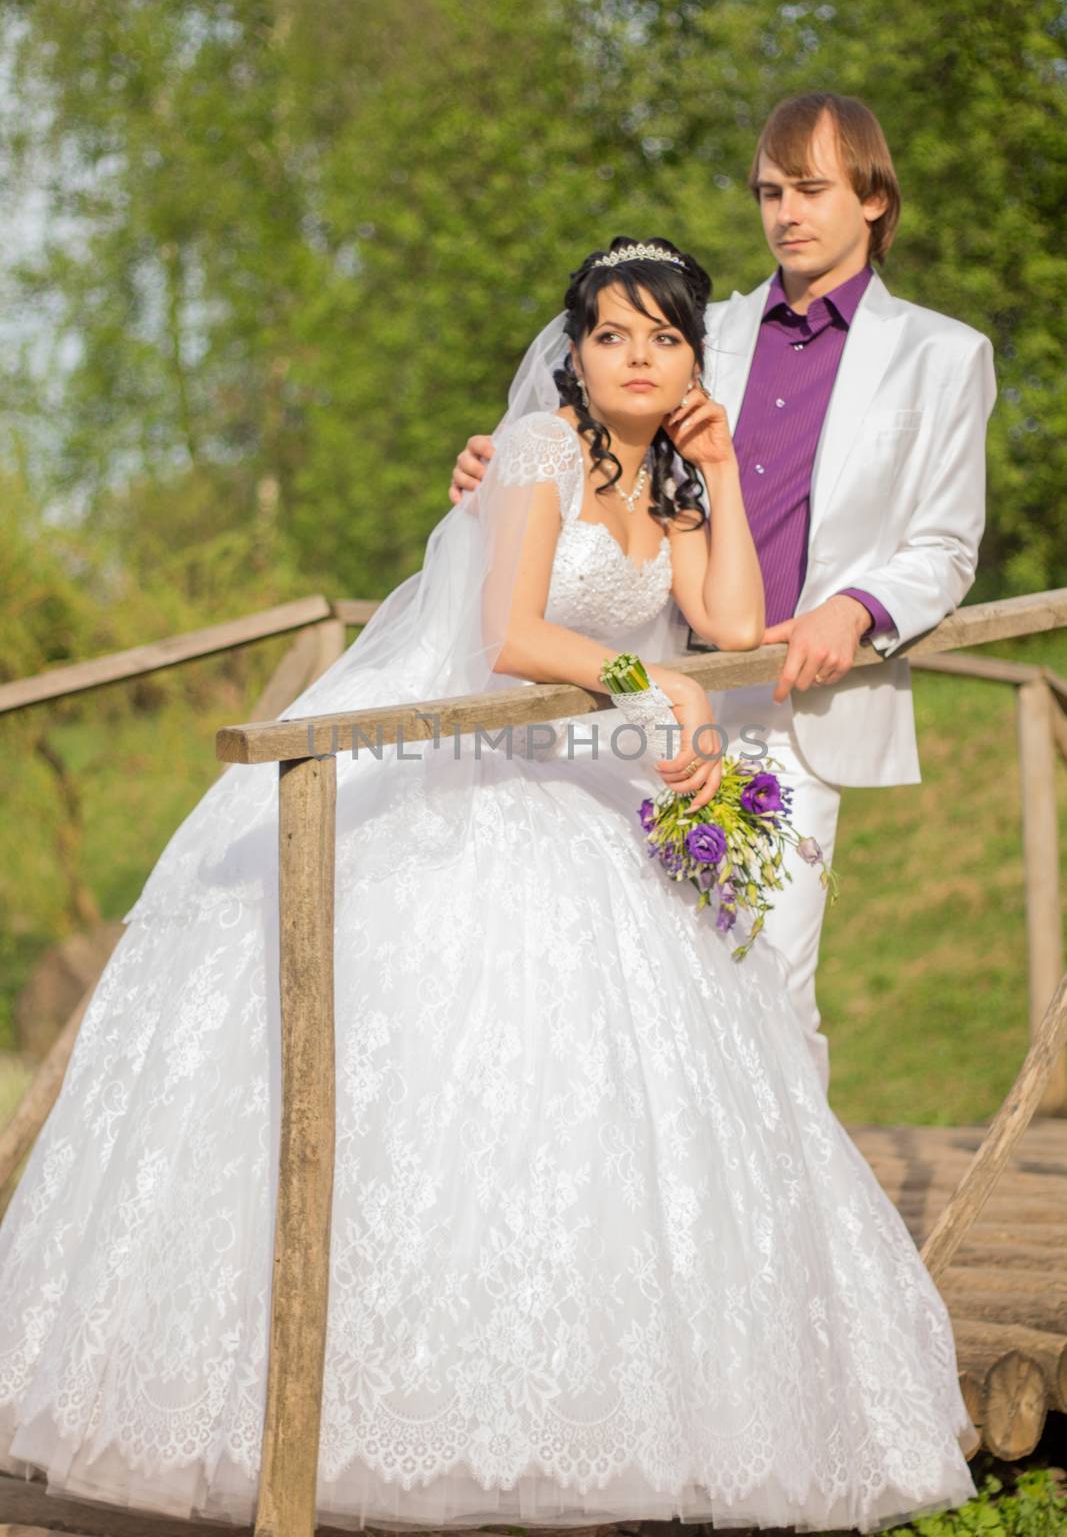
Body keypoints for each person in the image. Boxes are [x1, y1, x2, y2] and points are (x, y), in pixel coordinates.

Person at [0, 238, 980, 1533]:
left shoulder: (679, 476)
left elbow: (735, 623)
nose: (635, 358)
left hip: (588, 787)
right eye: (611, 335)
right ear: (572, 351)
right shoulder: (534, 457)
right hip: (479, 774)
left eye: (663, 339)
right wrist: (645, 687)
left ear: (694, 358)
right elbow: (513, 635)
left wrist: (728, 475)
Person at [451, 93, 997, 1097]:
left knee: (772, 981)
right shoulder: (695, 327)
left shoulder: (942, 355)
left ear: (872, 198)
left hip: (801, 704)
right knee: (653, 986)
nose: (785, 211)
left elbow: (944, 545)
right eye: (768, 191)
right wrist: (497, 475)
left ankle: (800, 1238)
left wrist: (861, 608)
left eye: (811, 188)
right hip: (651, 702)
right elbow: (595, 441)